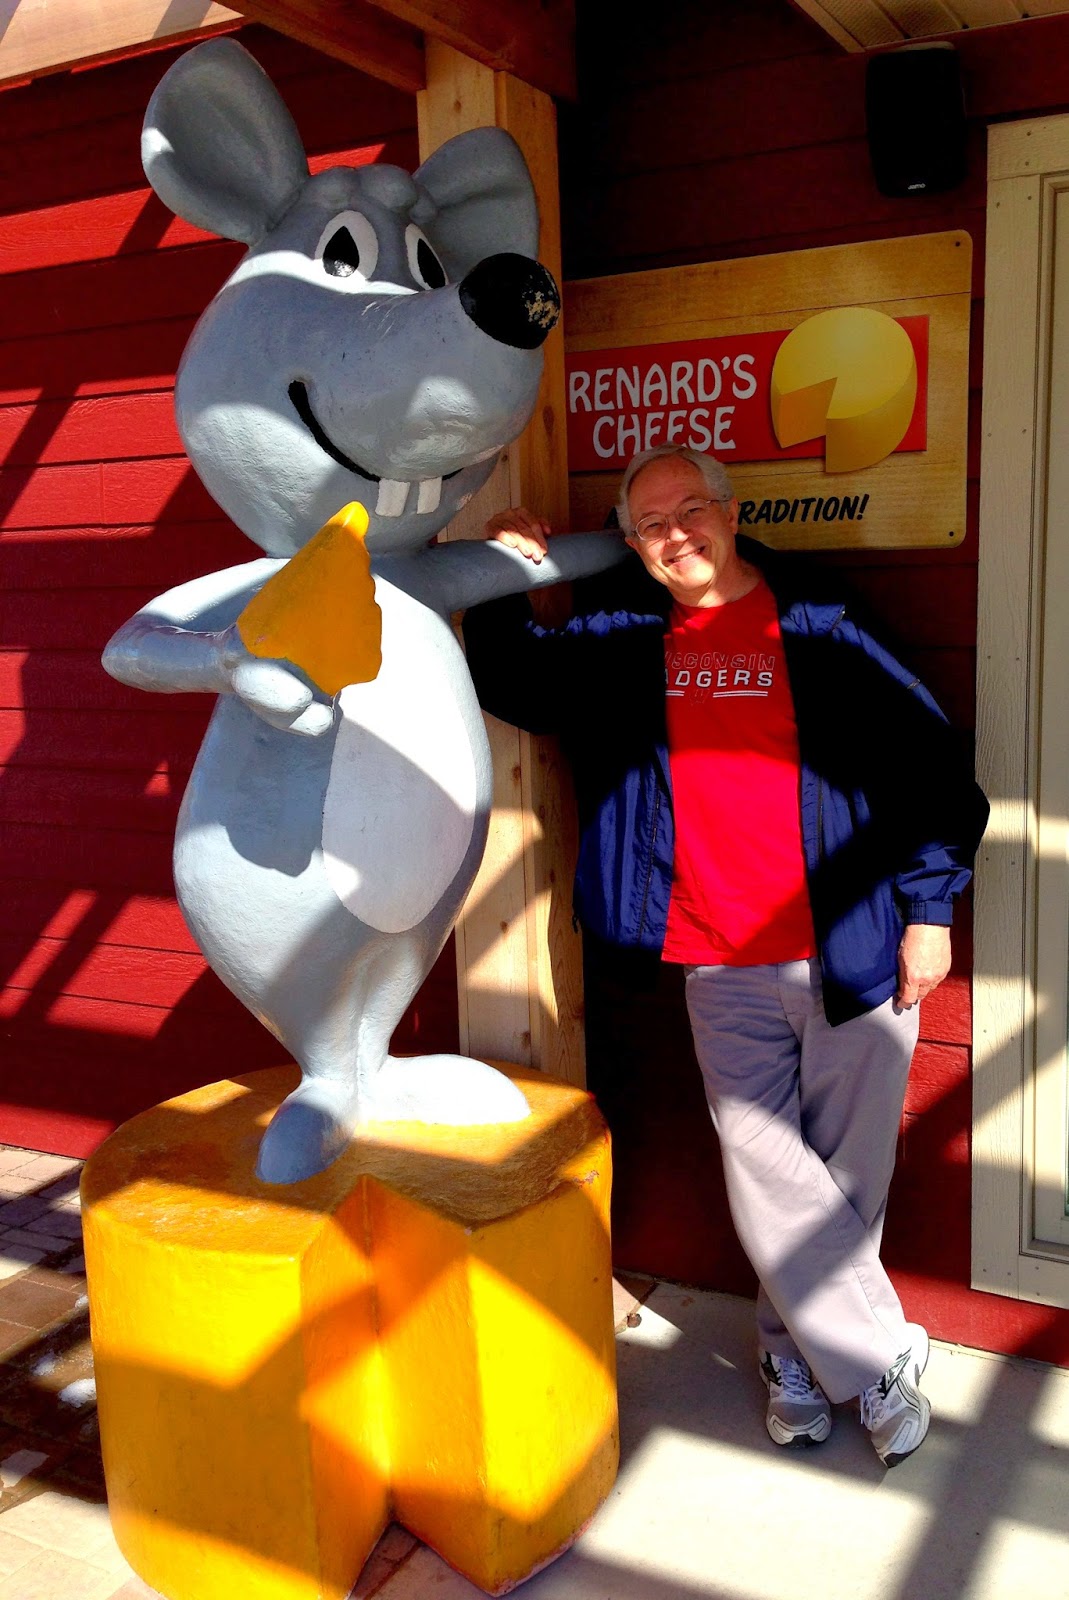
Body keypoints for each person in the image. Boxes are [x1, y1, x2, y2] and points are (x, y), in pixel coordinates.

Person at [462, 445, 988, 1468]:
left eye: (691, 509)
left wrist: (930, 911)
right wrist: (495, 571)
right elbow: (518, 679)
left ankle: (792, 1359)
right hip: (717, 957)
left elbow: (929, 764)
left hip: (854, 944)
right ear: (630, 545)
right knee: (764, 1169)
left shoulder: (821, 618)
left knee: (849, 1177)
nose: (676, 535)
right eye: (651, 525)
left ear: (731, 511)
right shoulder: (622, 632)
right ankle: (874, 1359)